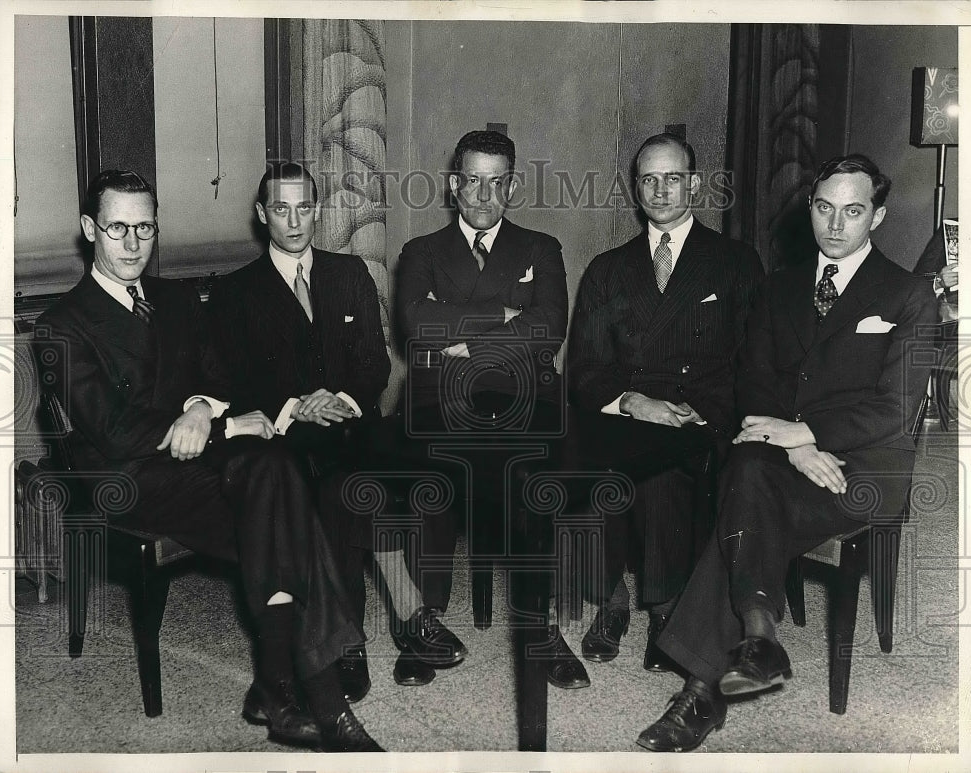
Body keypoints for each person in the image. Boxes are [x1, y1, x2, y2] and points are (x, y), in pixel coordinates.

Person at [35, 170, 383, 753]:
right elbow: (114, 432)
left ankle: (285, 691)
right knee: (282, 513)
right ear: (89, 229)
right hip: (126, 479)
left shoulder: (174, 299)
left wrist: (200, 405)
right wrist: (215, 424)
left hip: (195, 464)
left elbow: (217, 378)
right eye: (117, 227)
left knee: (277, 473)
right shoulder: (61, 323)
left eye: (144, 227)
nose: (132, 243)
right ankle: (313, 699)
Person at [636, 154, 937, 752]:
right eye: (824, 208)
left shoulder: (908, 295)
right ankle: (748, 644)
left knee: (745, 488)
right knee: (749, 470)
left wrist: (803, 434)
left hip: (866, 470)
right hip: (783, 456)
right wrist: (793, 444)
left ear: (875, 217)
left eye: (853, 212)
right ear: (811, 208)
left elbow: (893, 410)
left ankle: (726, 667)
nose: (835, 224)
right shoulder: (780, 285)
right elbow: (753, 381)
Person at [209, 163, 460, 694]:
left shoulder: (349, 274)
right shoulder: (235, 292)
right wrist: (295, 406)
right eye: (281, 209)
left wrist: (339, 398)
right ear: (262, 215)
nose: (294, 221)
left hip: (351, 423)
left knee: (431, 462)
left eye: (304, 208)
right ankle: (394, 626)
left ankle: (411, 620)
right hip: (287, 438)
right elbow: (228, 379)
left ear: (318, 210)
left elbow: (373, 362)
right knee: (345, 488)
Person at [568, 133, 763, 671]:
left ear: (694, 184)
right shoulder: (608, 269)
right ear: (635, 188)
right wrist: (631, 399)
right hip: (629, 408)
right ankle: (609, 599)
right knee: (587, 462)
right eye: (648, 179)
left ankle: (665, 606)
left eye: (672, 178)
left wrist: (706, 412)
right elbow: (584, 367)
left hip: (698, 415)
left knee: (662, 468)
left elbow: (756, 361)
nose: (660, 190)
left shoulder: (735, 262)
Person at [395, 130, 575, 685]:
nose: (483, 194)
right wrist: (503, 311)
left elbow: (551, 328)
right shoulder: (420, 251)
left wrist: (471, 338)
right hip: (440, 394)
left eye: (497, 183)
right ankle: (423, 623)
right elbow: (416, 328)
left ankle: (540, 624)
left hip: (523, 393)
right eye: (472, 180)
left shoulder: (542, 247)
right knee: (432, 475)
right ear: (454, 185)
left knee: (538, 474)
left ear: (512, 187)